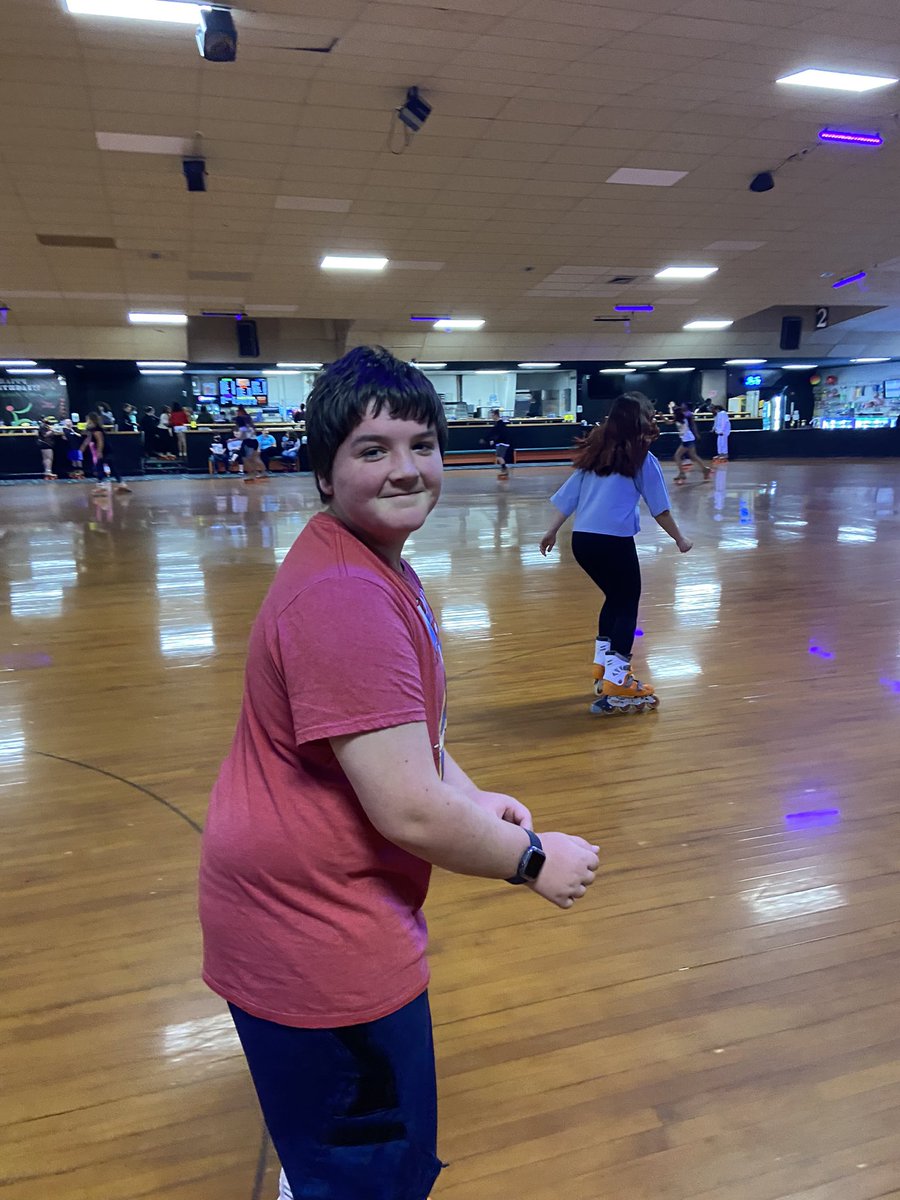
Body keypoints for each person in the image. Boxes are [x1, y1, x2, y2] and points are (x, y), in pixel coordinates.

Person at [198, 346, 599, 1200]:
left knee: (343, 1161)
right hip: (316, 936)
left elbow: (407, 735)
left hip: (311, 913)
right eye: (372, 450)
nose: (406, 468)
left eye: (422, 444)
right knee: (367, 1171)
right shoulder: (343, 596)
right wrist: (531, 860)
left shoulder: (375, 564)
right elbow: (409, 812)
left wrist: (473, 795)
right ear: (324, 472)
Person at [539, 391, 692, 715]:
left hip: (583, 541)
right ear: (639, 421)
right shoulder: (641, 459)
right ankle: (617, 681)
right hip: (612, 541)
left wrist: (552, 530)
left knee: (614, 599)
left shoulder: (596, 457)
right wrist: (680, 539)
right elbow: (660, 509)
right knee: (626, 603)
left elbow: (569, 498)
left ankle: (603, 670)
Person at [81, 412, 132, 494]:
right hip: (107, 450)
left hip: (105, 450)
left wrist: (99, 452)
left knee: (100, 467)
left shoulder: (97, 429)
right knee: (111, 467)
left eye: (87, 419)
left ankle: (102, 486)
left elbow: (100, 441)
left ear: (91, 419)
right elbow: (88, 439)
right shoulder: (92, 429)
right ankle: (122, 484)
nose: (86, 421)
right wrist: (82, 448)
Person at [673, 402, 711, 484]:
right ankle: (705, 469)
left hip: (686, 439)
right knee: (693, 455)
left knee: (677, 456)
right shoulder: (683, 417)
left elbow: (692, 424)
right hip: (689, 438)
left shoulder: (684, 417)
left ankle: (682, 473)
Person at [484, 408, 514, 479]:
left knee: (499, 456)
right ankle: (504, 469)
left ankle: (504, 470)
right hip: (501, 443)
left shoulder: (499, 424)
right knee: (499, 456)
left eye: (492, 415)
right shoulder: (499, 424)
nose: (491, 417)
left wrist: (493, 440)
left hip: (502, 443)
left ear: (496, 415)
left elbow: (500, 434)